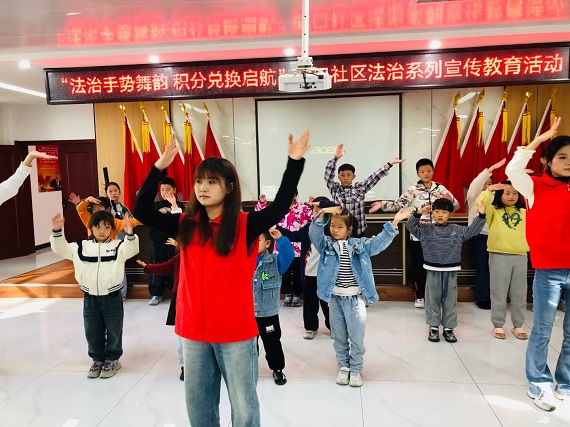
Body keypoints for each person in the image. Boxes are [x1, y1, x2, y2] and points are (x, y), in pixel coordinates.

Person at [133, 131, 309, 427]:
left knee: (244, 408)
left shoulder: (245, 224)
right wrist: (159, 166)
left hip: (235, 333)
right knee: (199, 408)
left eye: (212, 181)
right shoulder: (184, 224)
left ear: (229, 187)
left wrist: (294, 162)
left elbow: (279, 206)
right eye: (199, 181)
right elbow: (140, 210)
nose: (203, 187)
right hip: (194, 332)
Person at [506, 116, 570, 412]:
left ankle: (565, 382)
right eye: (562, 157)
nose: (568, 162)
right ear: (547, 160)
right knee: (542, 329)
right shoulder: (534, 187)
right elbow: (512, 170)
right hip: (549, 271)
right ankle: (538, 382)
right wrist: (539, 140)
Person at [309, 206, 411, 387]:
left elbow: (379, 243)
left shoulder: (360, 245)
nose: (335, 230)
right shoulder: (326, 245)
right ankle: (343, 366)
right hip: (335, 299)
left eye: (340, 227)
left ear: (349, 229)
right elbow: (314, 232)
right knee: (338, 336)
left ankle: (356, 369)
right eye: (332, 226)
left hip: (355, 300)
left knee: (356, 336)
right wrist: (323, 213)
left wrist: (394, 222)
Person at [50, 210, 139, 379]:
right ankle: (97, 359)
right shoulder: (80, 246)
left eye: (106, 227)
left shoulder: (118, 246)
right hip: (90, 297)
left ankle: (112, 359)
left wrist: (129, 234)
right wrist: (57, 231)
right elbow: (61, 249)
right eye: (97, 227)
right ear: (91, 228)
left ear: (111, 229)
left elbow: (132, 250)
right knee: (92, 330)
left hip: (112, 296)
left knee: (114, 329)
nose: (101, 231)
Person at [370, 158, 460, 309]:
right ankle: (420, 296)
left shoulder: (440, 188)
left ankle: (437, 297)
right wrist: (382, 204)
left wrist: (447, 198)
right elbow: (398, 204)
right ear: (418, 173)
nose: (426, 174)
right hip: (419, 235)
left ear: (433, 171)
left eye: (429, 171)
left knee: (437, 267)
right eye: (422, 172)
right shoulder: (413, 190)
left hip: (438, 235)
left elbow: (456, 205)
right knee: (419, 266)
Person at [406, 199, 486, 343]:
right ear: (432, 213)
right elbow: (410, 225)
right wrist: (418, 213)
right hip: (432, 270)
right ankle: (433, 327)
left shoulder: (457, 229)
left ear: (450, 214)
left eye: (444, 212)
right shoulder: (425, 230)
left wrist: (481, 216)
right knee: (432, 300)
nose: (440, 215)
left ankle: (449, 328)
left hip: (451, 271)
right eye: (437, 211)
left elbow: (472, 231)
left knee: (450, 301)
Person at [277, 196, 338, 339]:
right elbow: (293, 236)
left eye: (321, 210)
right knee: (310, 303)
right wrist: (278, 229)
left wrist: (321, 205)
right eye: (315, 210)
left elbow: (338, 207)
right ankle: (310, 328)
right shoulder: (308, 228)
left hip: (326, 275)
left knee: (328, 304)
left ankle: (334, 328)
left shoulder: (332, 229)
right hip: (309, 273)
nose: (318, 213)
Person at [477, 181, 529, 340]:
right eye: (507, 193)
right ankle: (498, 325)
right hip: (498, 254)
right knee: (498, 291)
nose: (511, 196)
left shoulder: (524, 212)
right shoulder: (494, 211)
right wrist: (489, 190)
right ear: (500, 194)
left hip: (520, 255)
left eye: (515, 193)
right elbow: (482, 203)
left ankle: (518, 325)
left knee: (519, 292)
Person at [69, 193, 141, 301]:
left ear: (107, 209)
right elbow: (80, 209)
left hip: (110, 253)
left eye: (99, 208)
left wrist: (149, 217)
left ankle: (121, 294)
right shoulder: (90, 220)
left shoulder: (113, 222)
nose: (96, 211)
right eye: (94, 209)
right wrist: (87, 200)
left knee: (117, 271)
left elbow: (131, 222)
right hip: (93, 254)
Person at [324, 143, 403, 236]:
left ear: (353, 177)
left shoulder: (359, 188)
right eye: (342, 175)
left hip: (358, 231)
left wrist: (389, 165)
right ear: (338, 177)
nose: (345, 178)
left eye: (348, 175)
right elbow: (328, 176)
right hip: (339, 232)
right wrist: (335, 158)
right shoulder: (335, 189)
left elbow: (374, 178)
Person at [255, 192, 312, 307]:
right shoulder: (277, 208)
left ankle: (297, 294)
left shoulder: (303, 208)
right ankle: (287, 293)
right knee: (283, 272)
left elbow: (315, 218)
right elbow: (262, 215)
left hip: (298, 246)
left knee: (297, 272)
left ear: (295, 195)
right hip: (281, 245)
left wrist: (313, 206)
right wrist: (262, 203)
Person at [253, 228, 295, 385]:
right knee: (248, 345)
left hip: (268, 313)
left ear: (267, 243)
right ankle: (249, 368)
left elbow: (289, 255)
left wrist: (280, 239)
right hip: (247, 313)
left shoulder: (275, 262)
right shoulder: (242, 261)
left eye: (257, 240)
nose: (253, 244)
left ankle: (277, 369)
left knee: (272, 343)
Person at [136, 248, 184, 380]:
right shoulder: (181, 256)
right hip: (181, 298)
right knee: (183, 336)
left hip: (200, 300)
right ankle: (184, 366)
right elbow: (165, 267)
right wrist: (148, 267)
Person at [465, 158, 506, 310]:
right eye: (485, 184)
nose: (488, 187)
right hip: (478, 235)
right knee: (482, 266)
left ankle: (496, 298)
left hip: (496, 236)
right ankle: (482, 298)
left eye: (490, 184)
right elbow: (476, 184)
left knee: (497, 268)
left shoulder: (497, 198)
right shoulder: (474, 196)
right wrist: (490, 169)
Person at [147, 178, 183, 306]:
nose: (165, 192)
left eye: (168, 189)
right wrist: (158, 214)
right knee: (157, 266)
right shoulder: (155, 205)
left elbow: (181, 222)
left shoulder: (180, 206)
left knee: (175, 268)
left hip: (173, 242)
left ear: (174, 190)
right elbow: (149, 220)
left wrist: (173, 206)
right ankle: (156, 293)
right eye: (162, 190)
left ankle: (176, 293)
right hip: (158, 242)